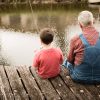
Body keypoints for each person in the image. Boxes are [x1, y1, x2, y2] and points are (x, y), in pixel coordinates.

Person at [63, 10, 100, 84]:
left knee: (66, 62)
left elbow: (70, 60)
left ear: (80, 24)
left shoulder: (75, 39)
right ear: (93, 21)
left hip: (79, 77)